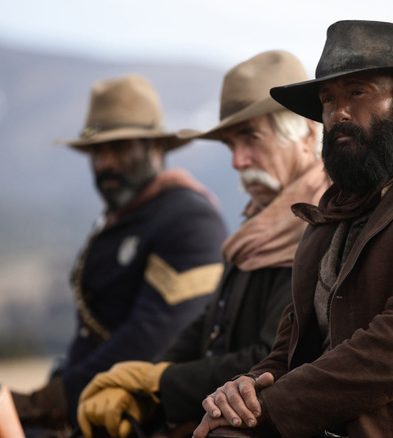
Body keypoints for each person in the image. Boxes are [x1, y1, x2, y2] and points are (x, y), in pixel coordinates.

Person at [195, 20, 393, 438]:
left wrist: (269, 407)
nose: (338, 114)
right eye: (328, 99)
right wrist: (244, 389)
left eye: (358, 92)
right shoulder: (329, 218)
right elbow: (289, 353)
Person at [75, 50, 331, 438]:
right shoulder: (259, 224)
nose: (238, 161)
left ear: (308, 135)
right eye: (231, 145)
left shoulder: (320, 223)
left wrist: (158, 383)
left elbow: (266, 357)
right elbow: (210, 320)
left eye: (251, 138)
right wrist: (142, 380)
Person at [0, 74, 228, 436]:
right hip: (87, 407)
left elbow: (154, 339)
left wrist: (52, 400)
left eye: (120, 147)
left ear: (155, 148)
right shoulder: (125, 214)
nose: (105, 163)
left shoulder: (190, 218)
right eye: (97, 151)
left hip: (137, 418)